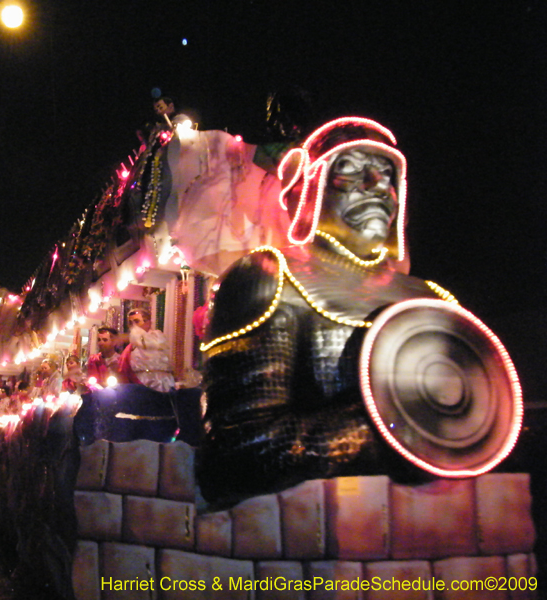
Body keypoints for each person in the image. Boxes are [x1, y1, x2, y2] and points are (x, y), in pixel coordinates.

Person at [197, 117, 459, 504]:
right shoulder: (269, 278)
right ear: (310, 186)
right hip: (305, 541)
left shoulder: (432, 298)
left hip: (447, 542)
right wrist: (397, 425)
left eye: (387, 176)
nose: (377, 187)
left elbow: (482, 428)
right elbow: (243, 448)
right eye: (351, 171)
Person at [118, 307, 175, 392]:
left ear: (148, 322)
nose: (134, 326)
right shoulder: (130, 348)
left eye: (137, 321)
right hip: (140, 384)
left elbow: (148, 342)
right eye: (130, 323)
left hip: (162, 383)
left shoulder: (158, 338)